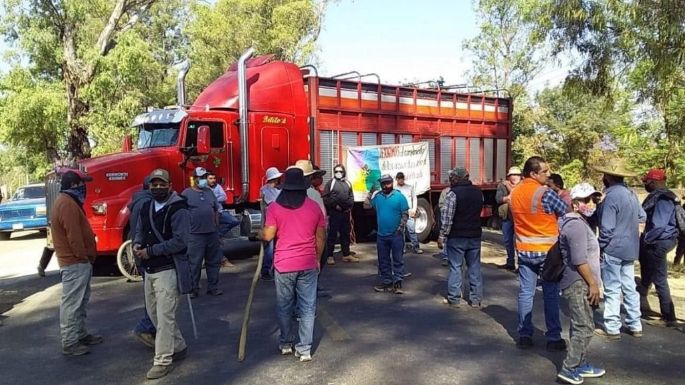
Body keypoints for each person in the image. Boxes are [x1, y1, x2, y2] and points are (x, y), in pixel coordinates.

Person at [260, 168, 326, 362]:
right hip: (307, 263)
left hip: (284, 264)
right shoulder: (314, 207)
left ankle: (286, 342)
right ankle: (304, 349)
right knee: (307, 307)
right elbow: (321, 237)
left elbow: (269, 235)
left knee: (284, 305)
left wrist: (259, 234)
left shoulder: (274, 208)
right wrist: (317, 259)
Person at [133, 168, 191, 379]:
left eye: (161, 184)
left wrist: (151, 251)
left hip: (167, 269)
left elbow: (180, 241)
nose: (157, 187)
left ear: (169, 185)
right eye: (154, 184)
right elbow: (140, 229)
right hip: (149, 269)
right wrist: (137, 244)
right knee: (155, 315)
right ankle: (179, 345)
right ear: (149, 186)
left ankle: (163, 360)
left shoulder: (179, 209)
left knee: (165, 317)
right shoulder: (146, 206)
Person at [510, 156, 567, 351]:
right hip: (547, 252)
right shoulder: (545, 193)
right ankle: (553, 338)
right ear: (533, 173)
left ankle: (524, 335)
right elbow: (565, 211)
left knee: (526, 293)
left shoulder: (515, 193)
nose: (549, 174)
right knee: (550, 294)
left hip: (524, 249)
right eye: (545, 171)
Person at [556, 183, 605, 384]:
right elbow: (579, 260)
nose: (590, 203)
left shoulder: (580, 222)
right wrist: (593, 284)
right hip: (578, 283)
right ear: (575, 203)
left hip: (583, 281)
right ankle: (569, 368)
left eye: (593, 199)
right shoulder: (575, 225)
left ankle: (581, 363)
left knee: (581, 325)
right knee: (584, 327)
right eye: (586, 200)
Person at [592, 160, 645, 340]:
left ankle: (613, 327)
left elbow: (606, 228)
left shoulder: (611, 197)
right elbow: (642, 215)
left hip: (613, 248)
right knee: (629, 287)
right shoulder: (631, 194)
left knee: (613, 288)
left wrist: (600, 246)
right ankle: (635, 324)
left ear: (607, 176)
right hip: (630, 247)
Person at [51, 169, 102, 356]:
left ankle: (79, 334)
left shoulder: (67, 202)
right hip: (75, 262)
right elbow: (74, 235)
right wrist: (83, 256)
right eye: (82, 184)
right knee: (72, 303)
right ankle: (70, 341)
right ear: (74, 185)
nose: (84, 187)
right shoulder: (67, 204)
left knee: (80, 300)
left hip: (77, 261)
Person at [638, 168, 679, 327]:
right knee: (647, 274)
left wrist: (647, 239)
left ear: (654, 182)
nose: (646, 185)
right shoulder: (667, 196)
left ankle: (669, 317)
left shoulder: (662, 198)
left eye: (647, 182)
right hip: (662, 240)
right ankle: (643, 304)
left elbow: (659, 225)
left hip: (659, 241)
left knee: (659, 278)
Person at [437, 167, 484, 308]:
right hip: (475, 235)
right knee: (474, 267)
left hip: (457, 237)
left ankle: (454, 298)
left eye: (452, 178)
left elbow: (447, 218)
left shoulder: (453, 194)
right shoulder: (478, 192)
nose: (450, 180)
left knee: (456, 267)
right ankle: (475, 299)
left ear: (457, 178)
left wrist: (442, 235)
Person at [182, 167, 224, 298]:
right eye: (201, 178)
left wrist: (217, 229)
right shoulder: (186, 194)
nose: (203, 180)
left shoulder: (209, 192)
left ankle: (213, 287)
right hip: (195, 235)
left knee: (214, 262)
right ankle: (193, 289)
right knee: (194, 263)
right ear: (194, 179)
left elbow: (216, 210)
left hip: (211, 233)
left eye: (205, 177)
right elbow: (180, 214)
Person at [366, 174, 409, 294]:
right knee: (383, 260)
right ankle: (387, 282)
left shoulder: (399, 197)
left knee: (398, 259)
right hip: (381, 235)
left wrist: (400, 227)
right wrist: (371, 193)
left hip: (396, 234)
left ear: (392, 182)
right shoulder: (378, 197)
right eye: (383, 183)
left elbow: (405, 214)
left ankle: (398, 282)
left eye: (388, 183)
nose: (385, 185)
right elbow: (366, 205)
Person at [129, 177, 157, 348]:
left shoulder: (138, 201)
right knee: (153, 295)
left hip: (143, 254)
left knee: (152, 293)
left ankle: (151, 327)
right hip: (148, 256)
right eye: (156, 185)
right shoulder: (147, 204)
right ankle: (146, 326)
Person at [322, 164, 356, 264]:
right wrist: (334, 205)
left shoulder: (348, 183)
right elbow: (325, 198)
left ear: (343, 172)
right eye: (336, 171)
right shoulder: (330, 183)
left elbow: (351, 197)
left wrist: (348, 206)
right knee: (332, 234)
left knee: (345, 234)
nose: (338, 173)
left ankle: (346, 254)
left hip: (345, 213)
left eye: (340, 171)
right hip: (334, 214)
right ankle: (330, 256)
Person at [496, 166, 522, 271]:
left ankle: (521, 265)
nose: (515, 177)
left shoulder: (524, 185)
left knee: (519, 242)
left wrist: (510, 197)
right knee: (507, 241)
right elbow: (498, 199)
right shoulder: (502, 185)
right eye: (512, 175)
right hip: (507, 217)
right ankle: (510, 262)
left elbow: (518, 197)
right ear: (509, 176)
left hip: (519, 219)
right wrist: (508, 198)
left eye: (517, 175)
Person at [260, 167, 282, 281]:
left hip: (280, 222)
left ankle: (276, 269)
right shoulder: (265, 190)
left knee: (278, 247)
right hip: (269, 223)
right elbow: (273, 203)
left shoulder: (279, 189)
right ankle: (265, 271)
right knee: (269, 248)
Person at [395, 172, 423, 254]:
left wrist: (414, 209)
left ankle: (416, 247)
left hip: (409, 211)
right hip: (399, 212)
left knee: (411, 230)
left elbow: (414, 198)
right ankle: (402, 248)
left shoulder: (409, 187)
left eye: (402, 178)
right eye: (399, 178)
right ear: (396, 179)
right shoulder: (395, 189)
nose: (401, 180)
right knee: (401, 231)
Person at [206, 171, 240, 238]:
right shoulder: (204, 188)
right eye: (210, 178)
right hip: (209, 213)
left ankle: (218, 235)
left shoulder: (218, 186)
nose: (213, 180)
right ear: (206, 179)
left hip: (220, 212)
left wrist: (213, 199)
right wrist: (216, 197)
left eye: (214, 178)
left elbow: (224, 197)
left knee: (234, 221)